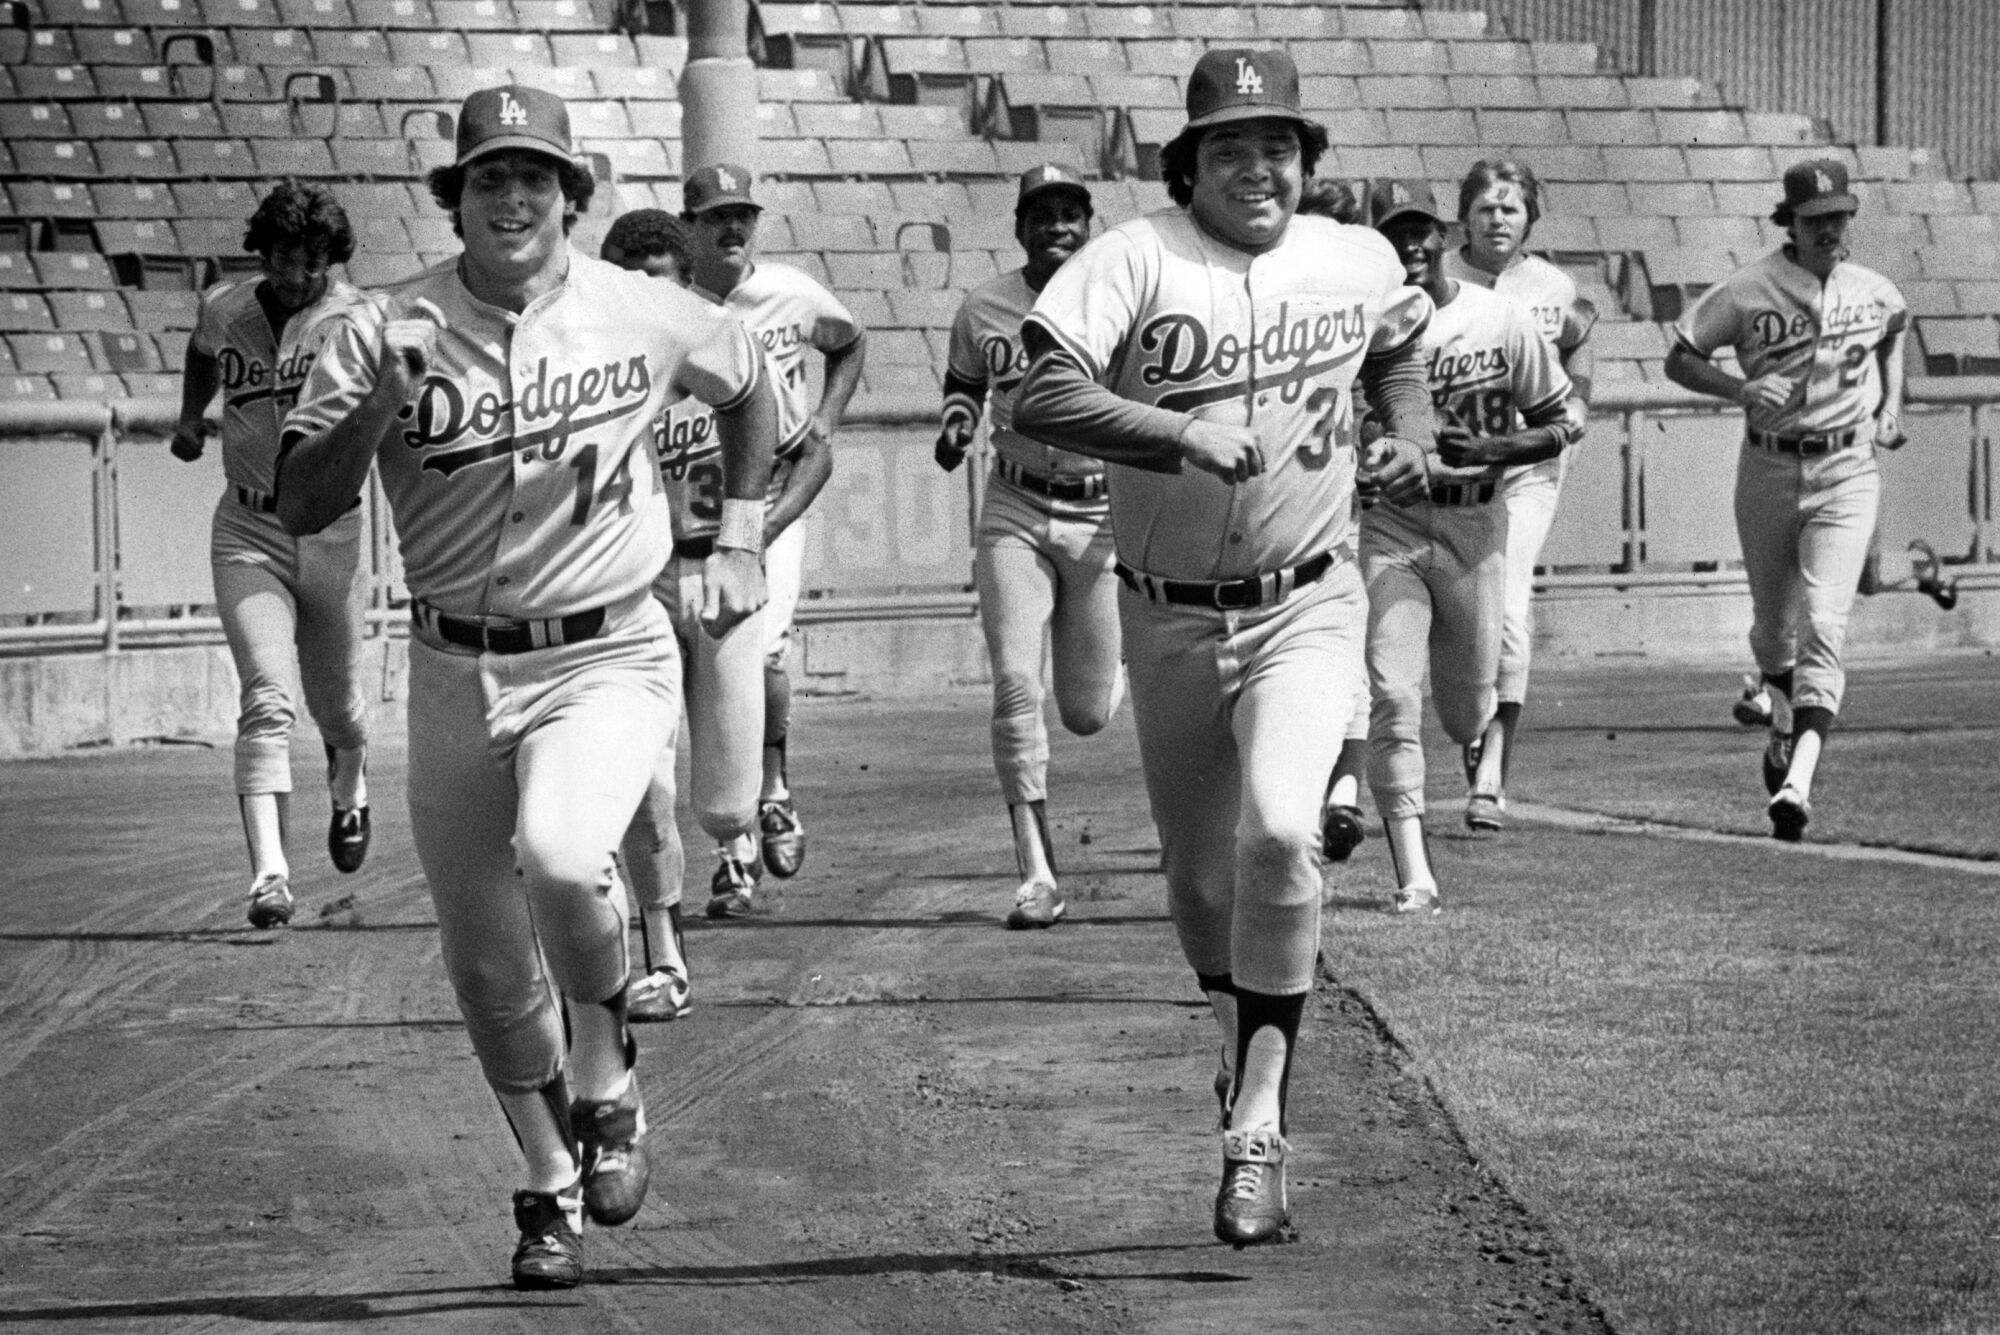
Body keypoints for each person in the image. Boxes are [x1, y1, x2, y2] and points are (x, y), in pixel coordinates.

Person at [276, 85, 779, 1288]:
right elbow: (299, 502)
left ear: (570, 193)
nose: (512, 197)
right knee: (488, 963)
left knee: (562, 855)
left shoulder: (643, 309)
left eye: (534, 176)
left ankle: (609, 1077)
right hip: (453, 666)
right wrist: (387, 402)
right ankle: (548, 1181)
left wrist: (744, 528)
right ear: (455, 197)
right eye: (488, 177)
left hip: (606, 649)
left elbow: (752, 383)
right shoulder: (379, 327)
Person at [1013, 48, 1435, 1247]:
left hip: (1308, 597)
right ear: (1185, 164)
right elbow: (1037, 400)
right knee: (1201, 885)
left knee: (1282, 830)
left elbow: (1397, 349)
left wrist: (1403, 434)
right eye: (1231, 147)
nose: (1259, 167)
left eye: (1279, 146)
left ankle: (1256, 1120)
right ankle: (1236, 1036)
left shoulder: (1350, 257)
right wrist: (1169, 432)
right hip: (1167, 611)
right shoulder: (1132, 257)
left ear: (1306, 162)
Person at [1664, 157, 1907, 841]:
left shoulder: (1872, 288)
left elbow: (1894, 331)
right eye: (1815, 220)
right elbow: (1679, 356)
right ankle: (1780, 718)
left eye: (1839, 216)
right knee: (1773, 630)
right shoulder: (1749, 288)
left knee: (1825, 623)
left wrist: (1892, 404)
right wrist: (1738, 389)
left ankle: (1798, 779)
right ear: (1790, 224)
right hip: (1769, 468)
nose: (1830, 229)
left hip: (1848, 469)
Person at [1358, 180, 1578, 910]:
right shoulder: (1356, 329)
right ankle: (1413, 869)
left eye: (1422, 231)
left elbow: (1560, 421)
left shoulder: (1499, 316)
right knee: (1391, 692)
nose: (1412, 246)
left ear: (1444, 234)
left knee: (1463, 713)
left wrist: (1492, 444)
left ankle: (1476, 750)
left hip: (1476, 522)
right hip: (1392, 524)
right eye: (1395, 235)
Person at [600, 207, 792, 1014]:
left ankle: (756, 818)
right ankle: (664, 950)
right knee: (644, 772)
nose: (649, 296)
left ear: (685, 285)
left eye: (662, 281)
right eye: (631, 280)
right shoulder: (593, 363)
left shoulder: (723, 349)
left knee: (722, 795)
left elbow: (809, 449)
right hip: (635, 582)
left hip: (716, 565)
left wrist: (751, 538)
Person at [169, 180, 376, 930]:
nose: (296, 274)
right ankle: (270, 876)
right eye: (285, 256)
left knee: (339, 707)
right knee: (266, 696)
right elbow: (202, 354)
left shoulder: (356, 316)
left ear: (332, 258)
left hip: (332, 530)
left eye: (313, 260)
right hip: (248, 528)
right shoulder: (226, 307)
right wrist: (193, 417)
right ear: (264, 251)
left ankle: (349, 782)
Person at [936, 163, 1124, 930]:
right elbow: (964, 385)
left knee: (1085, 713)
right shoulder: (986, 306)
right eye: (1040, 214)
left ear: (1089, 223)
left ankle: (1122, 662)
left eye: (1068, 212)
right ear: (1018, 227)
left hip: (1103, 511)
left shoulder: (1121, 295)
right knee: (1017, 685)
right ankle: (1037, 869)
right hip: (1015, 502)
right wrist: (954, 423)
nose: (1055, 226)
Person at [680, 163, 866, 914]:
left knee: (760, 647)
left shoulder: (791, 291)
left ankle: (775, 789)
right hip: (685, 501)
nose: (733, 227)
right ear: (688, 224)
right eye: (717, 215)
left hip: (774, 487)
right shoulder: (667, 306)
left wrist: (827, 418)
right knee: (706, 670)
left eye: (744, 215)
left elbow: (849, 341)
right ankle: (734, 849)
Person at [1446, 160, 1596, 829]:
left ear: (1530, 216)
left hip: (1526, 469)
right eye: (1486, 207)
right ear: (1465, 216)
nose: (1498, 218)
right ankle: (1475, 718)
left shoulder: (1555, 287)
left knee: (1507, 606)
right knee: (1463, 615)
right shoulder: (1435, 277)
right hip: (1449, 472)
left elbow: (1578, 355)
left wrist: (1579, 404)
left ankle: (1491, 768)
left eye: (1511, 208)